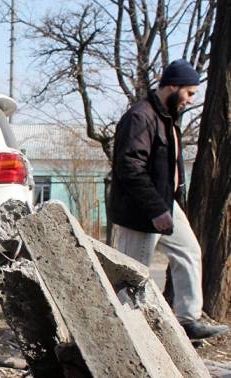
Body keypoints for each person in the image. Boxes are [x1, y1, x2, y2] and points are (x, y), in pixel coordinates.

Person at [108, 59, 228, 340]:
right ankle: (124, 332)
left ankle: (188, 321)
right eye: (189, 93)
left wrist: (169, 204)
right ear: (172, 86)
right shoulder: (141, 116)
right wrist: (155, 209)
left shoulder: (167, 118)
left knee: (189, 252)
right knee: (132, 275)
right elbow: (130, 168)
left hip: (165, 204)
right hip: (139, 212)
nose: (190, 100)